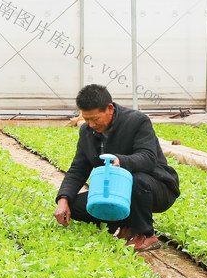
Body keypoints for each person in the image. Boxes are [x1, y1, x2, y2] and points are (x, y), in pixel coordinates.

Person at [52, 84, 180, 252]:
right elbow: (78, 169)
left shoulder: (137, 121)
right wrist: (63, 199)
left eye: (95, 119)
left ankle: (146, 235)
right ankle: (123, 224)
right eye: (86, 119)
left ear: (110, 109)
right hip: (116, 191)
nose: (90, 124)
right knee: (74, 206)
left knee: (134, 180)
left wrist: (121, 161)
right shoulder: (86, 132)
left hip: (155, 187)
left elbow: (148, 158)